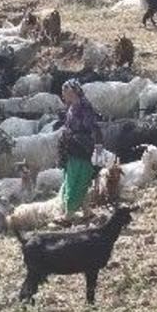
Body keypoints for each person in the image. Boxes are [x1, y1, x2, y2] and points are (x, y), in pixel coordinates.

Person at [58, 79, 98, 217]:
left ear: (72, 91)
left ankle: (71, 211)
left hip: (81, 146)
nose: (63, 95)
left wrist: (97, 145)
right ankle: (81, 209)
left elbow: (91, 126)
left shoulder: (84, 106)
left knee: (79, 178)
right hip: (71, 146)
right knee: (73, 176)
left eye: (65, 92)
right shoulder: (72, 106)